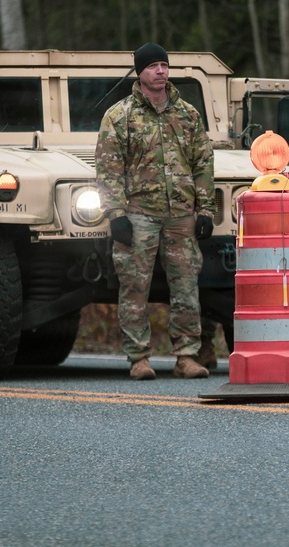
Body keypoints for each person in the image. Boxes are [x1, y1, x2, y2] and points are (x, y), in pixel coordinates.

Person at [95, 42, 216, 380]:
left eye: (164, 65)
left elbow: (203, 163)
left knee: (186, 287)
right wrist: (116, 214)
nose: (160, 71)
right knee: (135, 287)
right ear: (140, 73)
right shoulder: (120, 116)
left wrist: (205, 209)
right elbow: (108, 167)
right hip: (139, 214)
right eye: (152, 66)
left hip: (180, 215)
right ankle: (138, 358)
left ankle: (187, 356)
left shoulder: (188, 114)